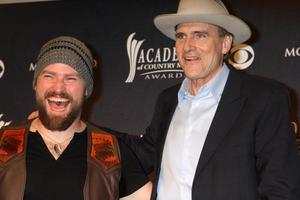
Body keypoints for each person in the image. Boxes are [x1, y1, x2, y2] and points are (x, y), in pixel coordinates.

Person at [114, 0, 300, 199]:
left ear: (225, 43)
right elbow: (142, 153)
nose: (187, 47)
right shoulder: (167, 100)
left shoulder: (264, 98)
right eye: (181, 36)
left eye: (200, 35)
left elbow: (281, 188)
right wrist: (84, 130)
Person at [0, 36, 152, 200]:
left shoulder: (111, 150)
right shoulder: (4, 143)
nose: (58, 88)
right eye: (49, 76)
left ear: (86, 89)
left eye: (70, 78)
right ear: (36, 83)